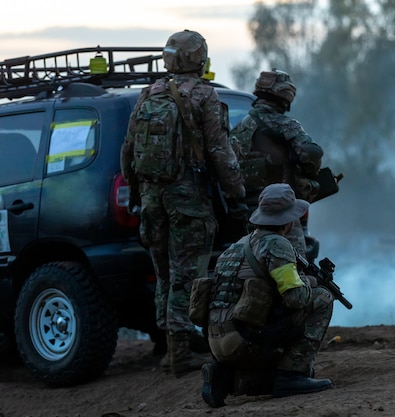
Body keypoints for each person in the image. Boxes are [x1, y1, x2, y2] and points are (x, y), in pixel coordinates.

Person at [120, 29, 246, 378]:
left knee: (163, 273)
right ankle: (179, 355)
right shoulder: (204, 96)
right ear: (199, 58)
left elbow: (127, 152)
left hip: (151, 199)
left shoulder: (149, 93)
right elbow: (221, 153)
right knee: (186, 274)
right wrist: (237, 194)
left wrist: (136, 192)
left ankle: (168, 345)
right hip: (187, 199)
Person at [201, 183, 334, 407]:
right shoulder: (277, 245)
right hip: (245, 340)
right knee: (322, 298)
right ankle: (292, 376)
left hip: (217, 341)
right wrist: (311, 282)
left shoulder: (237, 245)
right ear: (289, 219)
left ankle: (222, 375)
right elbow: (297, 298)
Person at [230, 69, 324, 255]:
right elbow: (313, 152)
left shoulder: (239, 127)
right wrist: (309, 174)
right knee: (294, 261)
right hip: (279, 209)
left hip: (245, 209)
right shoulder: (283, 124)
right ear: (286, 95)